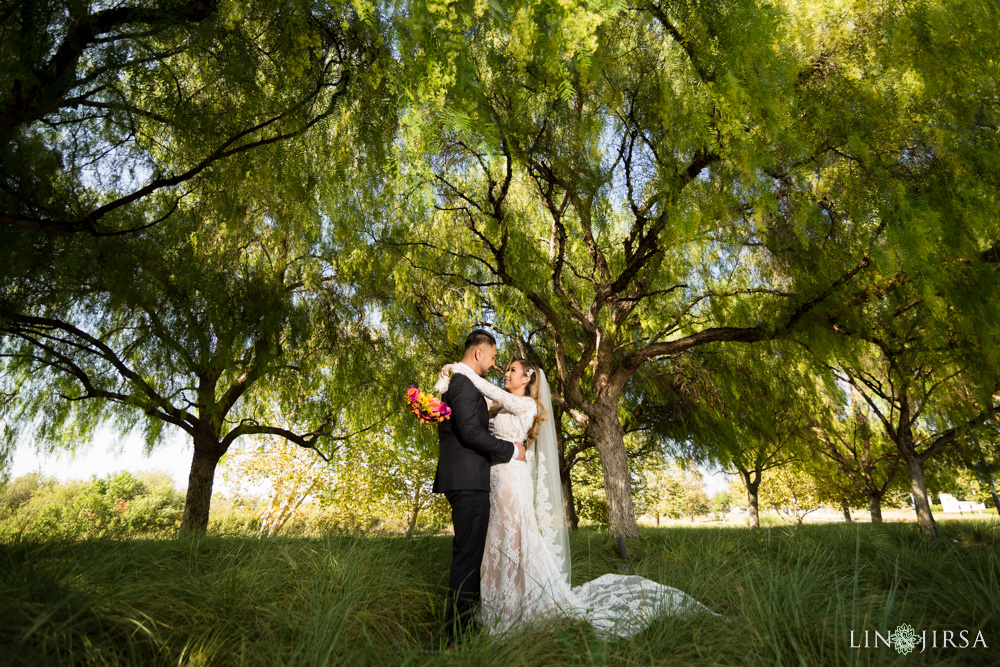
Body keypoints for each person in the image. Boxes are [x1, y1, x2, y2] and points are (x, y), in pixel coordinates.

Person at [438, 355, 720, 637]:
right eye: (507, 369)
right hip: (495, 478)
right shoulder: (499, 409)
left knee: (514, 538)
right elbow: (471, 411)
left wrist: (459, 369)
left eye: (512, 370)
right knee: (495, 540)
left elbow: (489, 390)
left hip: (512, 480)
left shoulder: (524, 404)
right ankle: (496, 602)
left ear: (527, 379)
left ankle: (517, 604)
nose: (506, 373)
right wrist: (439, 396)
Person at [433, 329, 526, 642]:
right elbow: (472, 433)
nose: (493, 364)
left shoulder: (461, 382)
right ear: (478, 353)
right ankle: (456, 634)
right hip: (468, 481)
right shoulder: (462, 384)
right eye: (493, 357)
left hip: (467, 479)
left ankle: (465, 623)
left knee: (470, 554)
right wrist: (511, 450)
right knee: (468, 557)